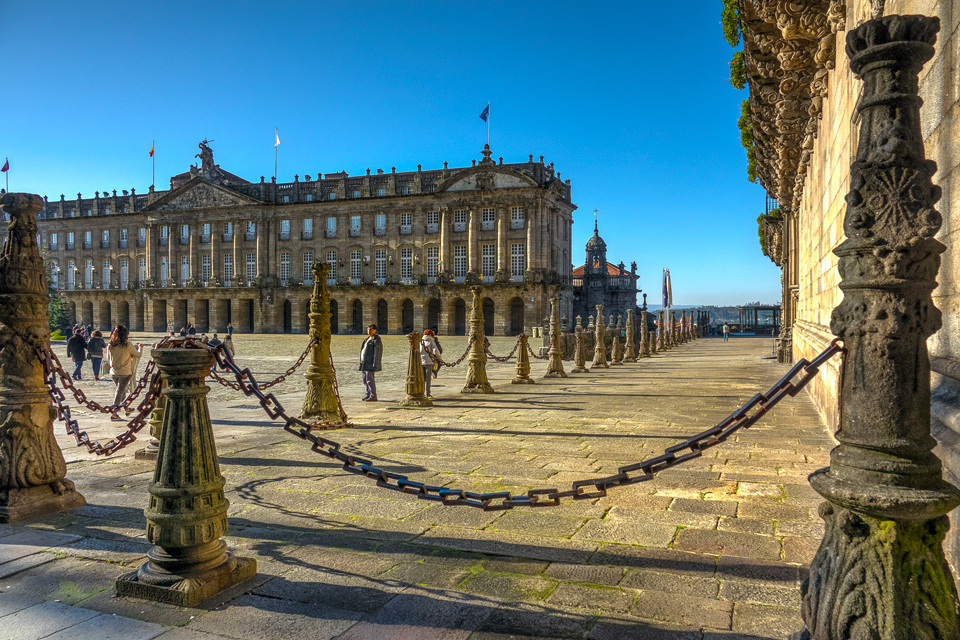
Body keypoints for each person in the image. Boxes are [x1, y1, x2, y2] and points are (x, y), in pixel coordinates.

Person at [105, 325, 143, 420]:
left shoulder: (110, 345)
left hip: (114, 372)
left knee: (121, 390)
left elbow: (108, 358)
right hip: (125, 372)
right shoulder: (128, 345)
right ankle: (114, 413)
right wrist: (140, 347)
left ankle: (127, 409)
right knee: (120, 391)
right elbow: (138, 355)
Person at [359, 324, 383, 401]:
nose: (369, 331)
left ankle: (373, 396)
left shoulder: (376, 340)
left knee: (370, 380)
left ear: (375, 330)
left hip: (370, 363)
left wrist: (375, 363)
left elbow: (377, 352)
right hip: (364, 362)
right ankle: (368, 394)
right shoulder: (367, 339)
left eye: (370, 330)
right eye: (368, 329)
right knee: (365, 380)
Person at [420, 330, 440, 400]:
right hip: (429, 362)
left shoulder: (420, 341)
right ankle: (428, 395)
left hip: (421, 362)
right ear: (431, 335)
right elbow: (436, 351)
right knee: (428, 380)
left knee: (422, 379)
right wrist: (439, 358)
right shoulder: (431, 341)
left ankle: (421, 394)